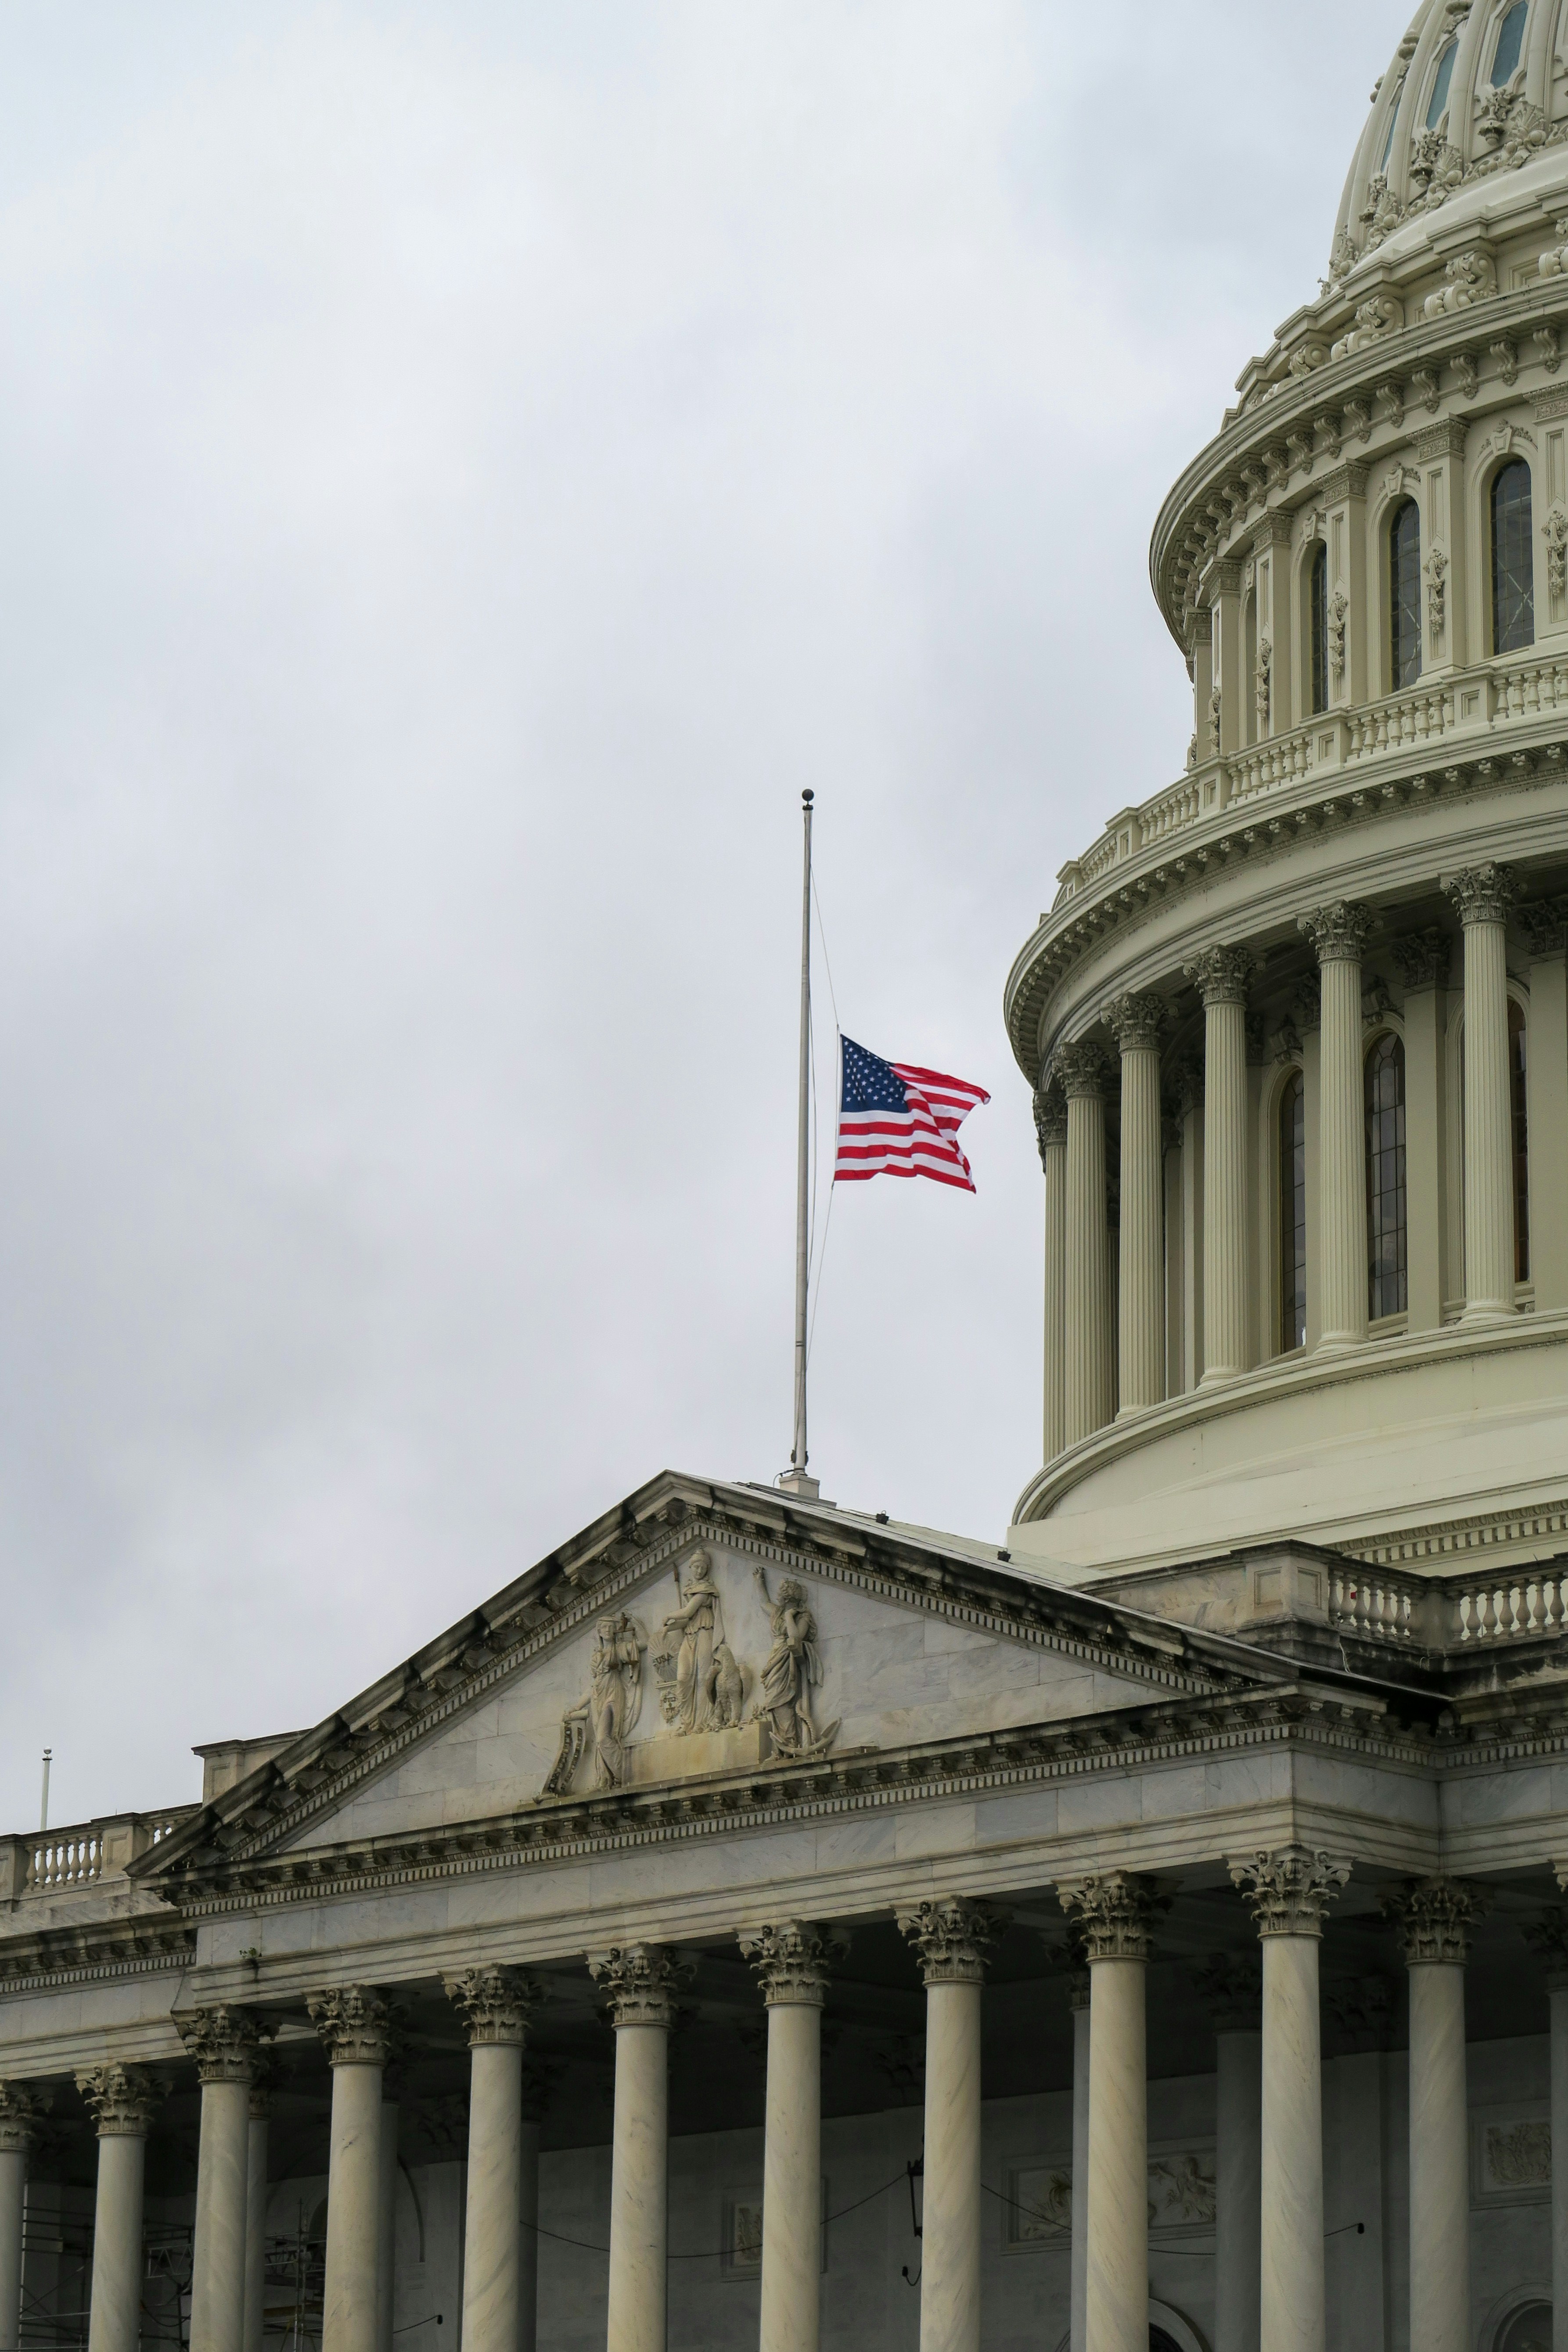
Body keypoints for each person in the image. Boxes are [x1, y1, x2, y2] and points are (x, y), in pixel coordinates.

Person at [749, 1565, 823, 1754]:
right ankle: (781, 1745)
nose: (778, 1597)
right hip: (776, 1659)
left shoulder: (802, 1616)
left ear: (788, 1597)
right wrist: (759, 1583)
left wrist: (790, 1616)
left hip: (787, 1661)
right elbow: (763, 1603)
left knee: (783, 1701)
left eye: (781, 1594)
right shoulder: (777, 1612)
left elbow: (796, 1637)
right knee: (774, 1702)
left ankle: (789, 1742)